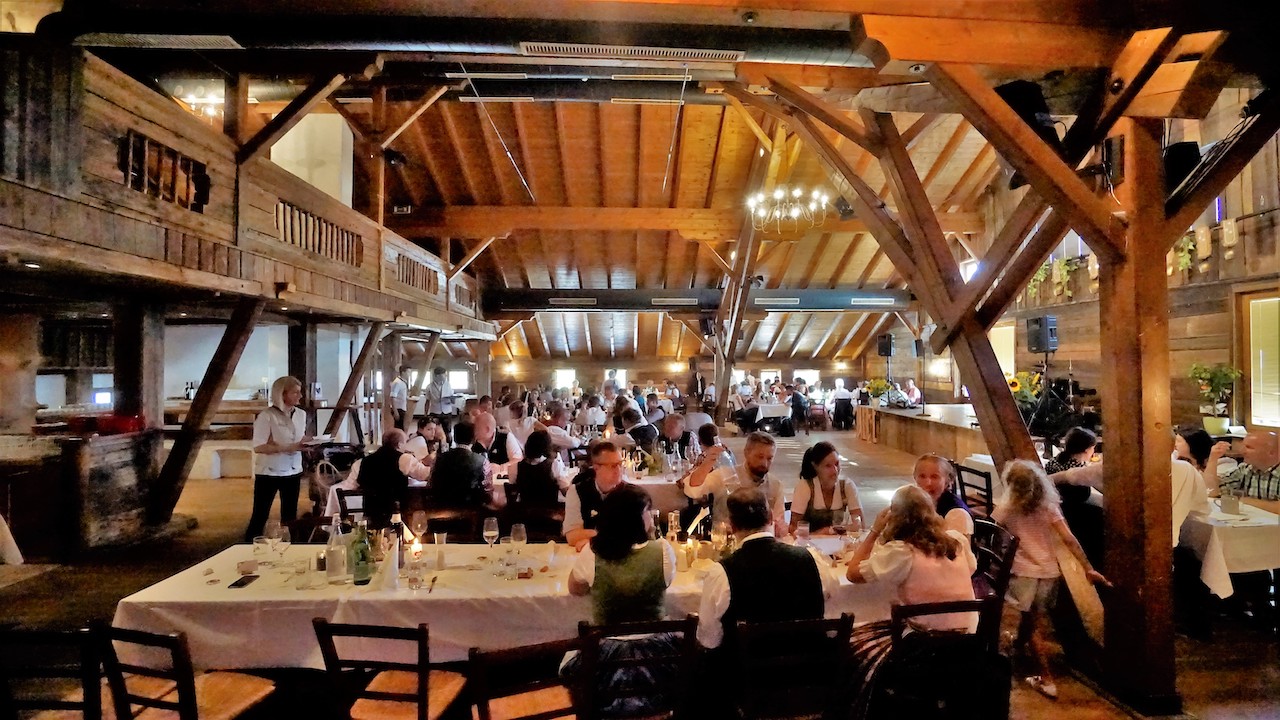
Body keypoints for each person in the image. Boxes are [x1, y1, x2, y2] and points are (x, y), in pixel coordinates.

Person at [843, 484, 979, 715]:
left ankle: (865, 706)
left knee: (854, 639)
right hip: (969, 639)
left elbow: (852, 574)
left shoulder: (902, 552)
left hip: (923, 646)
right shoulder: (956, 541)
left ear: (895, 517)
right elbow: (971, 569)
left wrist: (875, 531)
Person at [993, 460, 1110, 700]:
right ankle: (1019, 646)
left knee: (1033, 623)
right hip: (1048, 572)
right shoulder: (1049, 507)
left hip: (1023, 571)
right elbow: (1069, 540)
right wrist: (1088, 568)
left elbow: (994, 534)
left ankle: (1046, 679)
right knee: (1035, 615)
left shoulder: (1007, 508)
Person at [564, 484, 680, 717]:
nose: (651, 517)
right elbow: (665, 582)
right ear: (636, 518)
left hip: (606, 657)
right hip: (658, 654)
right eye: (647, 511)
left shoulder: (593, 552)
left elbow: (575, 589)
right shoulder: (662, 551)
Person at [696, 486, 834, 650]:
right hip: (808, 661)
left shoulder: (722, 572)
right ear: (770, 518)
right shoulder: (811, 559)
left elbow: (709, 639)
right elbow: (831, 612)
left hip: (746, 665)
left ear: (732, 526)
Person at [244, 376, 312, 542]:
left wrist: (308, 443)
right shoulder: (267, 416)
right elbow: (259, 446)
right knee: (260, 514)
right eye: (295, 392)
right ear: (282, 394)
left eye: (300, 392)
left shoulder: (301, 415)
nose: (300, 396)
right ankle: (248, 546)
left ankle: (290, 546)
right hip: (269, 471)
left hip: (293, 470)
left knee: (290, 515)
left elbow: (297, 438)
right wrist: (288, 447)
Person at [683, 431, 786, 537]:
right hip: (724, 539)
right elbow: (692, 490)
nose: (764, 463)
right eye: (759, 457)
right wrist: (707, 463)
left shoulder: (775, 485)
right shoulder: (726, 475)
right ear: (746, 453)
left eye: (769, 458)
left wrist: (780, 528)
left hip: (760, 542)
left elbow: (779, 523)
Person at [356, 428, 430, 528]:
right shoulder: (403, 458)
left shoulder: (366, 461)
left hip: (372, 514)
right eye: (405, 442)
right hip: (396, 514)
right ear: (399, 444)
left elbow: (360, 482)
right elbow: (424, 474)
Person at [563, 441, 629, 551]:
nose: (618, 470)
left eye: (620, 464)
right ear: (596, 468)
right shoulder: (577, 491)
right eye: (613, 466)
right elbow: (572, 536)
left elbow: (634, 534)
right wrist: (610, 535)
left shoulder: (629, 492)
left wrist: (592, 538)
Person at [789, 441, 863, 535]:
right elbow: (793, 528)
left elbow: (859, 524)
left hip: (837, 541)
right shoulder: (805, 486)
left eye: (837, 464)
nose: (835, 471)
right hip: (809, 541)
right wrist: (822, 533)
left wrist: (831, 530)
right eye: (828, 466)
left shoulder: (846, 486)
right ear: (815, 466)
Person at [1207, 430, 1280, 513]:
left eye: (1248, 447)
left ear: (1271, 453)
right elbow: (1211, 491)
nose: (1242, 451)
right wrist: (1213, 459)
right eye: (1243, 446)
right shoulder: (1245, 469)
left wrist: (1246, 501)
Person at [429, 422, 492, 508]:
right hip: (472, 510)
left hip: (442, 509)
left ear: (455, 438)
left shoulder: (439, 458)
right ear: (474, 439)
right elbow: (488, 493)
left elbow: (432, 483)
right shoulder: (482, 461)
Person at [912, 454, 974, 537]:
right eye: (922, 476)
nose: (928, 483)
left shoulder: (957, 514)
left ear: (947, 481)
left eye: (934, 477)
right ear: (915, 478)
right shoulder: (914, 502)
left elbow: (958, 545)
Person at [513, 430, 569, 507]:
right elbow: (566, 492)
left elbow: (513, 490)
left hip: (525, 511)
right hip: (549, 511)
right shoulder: (554, 465)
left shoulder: (515, 467)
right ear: (548, 446)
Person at [472, 411, 524, 480]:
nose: (474, 431)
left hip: (502, 480)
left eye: (477, 428)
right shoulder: (473, 442)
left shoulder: (506, 437)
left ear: (487, 429)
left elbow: (518, 460)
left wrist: (501, 467)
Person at [422, 367, 456, 437]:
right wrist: (425, 414)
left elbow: (452, 398)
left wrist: (453, 399)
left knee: (448, 431)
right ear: (437, 376)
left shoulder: (448, 385)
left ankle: (448, 443)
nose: (445, 376)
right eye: (444, 375)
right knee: (434, 431)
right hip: (435, 412)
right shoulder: (429, 387)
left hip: (447, 411)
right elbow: (427, 401)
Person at [388, 365, 409, 430]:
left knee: (402, 427)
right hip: (398, 409)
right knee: (399, 429)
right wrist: (395, 411)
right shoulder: (397, 382)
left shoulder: (403, 382)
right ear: (403, 372)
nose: (409, 374)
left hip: (402, 408)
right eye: (408, 372)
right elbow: (392, 397)